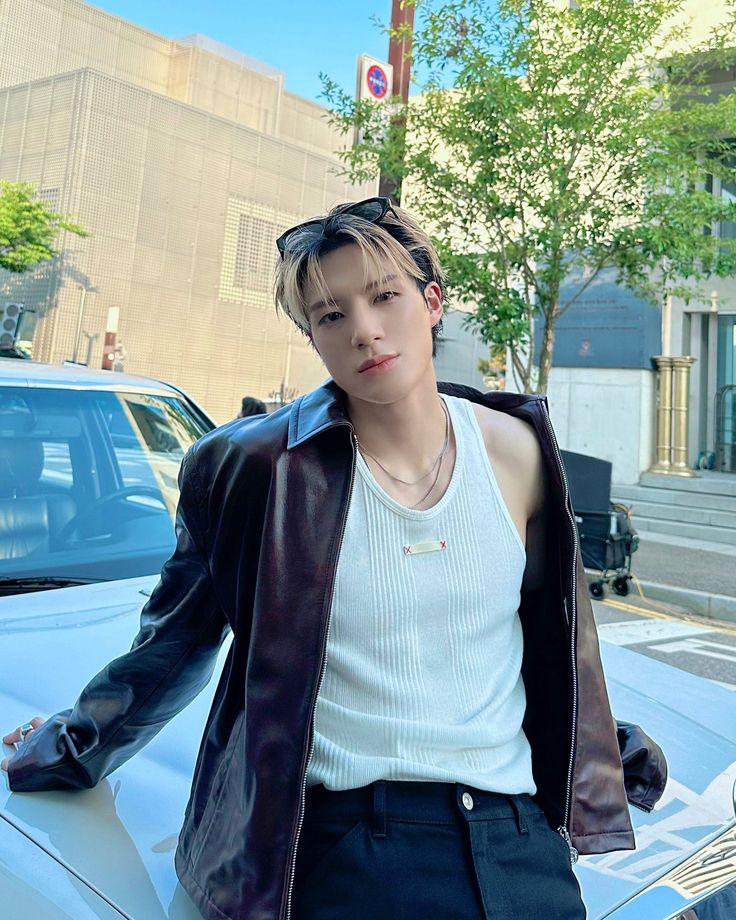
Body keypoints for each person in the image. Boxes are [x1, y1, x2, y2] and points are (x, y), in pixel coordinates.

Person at [1, 197, 666, 920]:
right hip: (347, 839)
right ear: (313, 338)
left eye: (384, 297)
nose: (365, 331)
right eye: (331, 315)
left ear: (432, 301)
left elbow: (536, 641)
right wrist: (71, 742)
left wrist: (604, 741)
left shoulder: (519, 452)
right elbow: (176, 640)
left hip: (515, 841)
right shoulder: (255, 469)